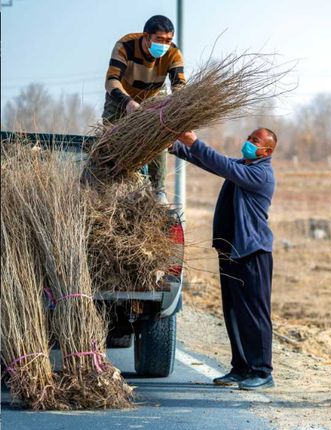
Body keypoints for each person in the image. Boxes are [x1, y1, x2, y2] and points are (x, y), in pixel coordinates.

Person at [170, 128, 277, 390]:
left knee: (255, 314)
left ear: (267, 151)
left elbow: (220, 163)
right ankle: (241, 368)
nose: (249, 143)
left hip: (253, 253)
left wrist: (194, 141)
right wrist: (176, 147)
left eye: (255, 141)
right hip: (231, 251)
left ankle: (263, 371)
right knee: (233, 312)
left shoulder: (260, 174)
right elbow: (213, 163)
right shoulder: (242, 165)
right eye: (249, 137)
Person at [103, 15, 186, 203]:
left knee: (158, 137)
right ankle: (108, 184)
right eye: (159, 40)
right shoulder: (125, 46)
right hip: (122, 96)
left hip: (153, 95)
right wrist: (128, 103)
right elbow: (111, 81)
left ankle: (158, 191)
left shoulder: (173, 53)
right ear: (146, 36)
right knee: (109, 139)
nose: (164, 45)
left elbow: (179, 85)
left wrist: (176, 114)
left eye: (168, 40)